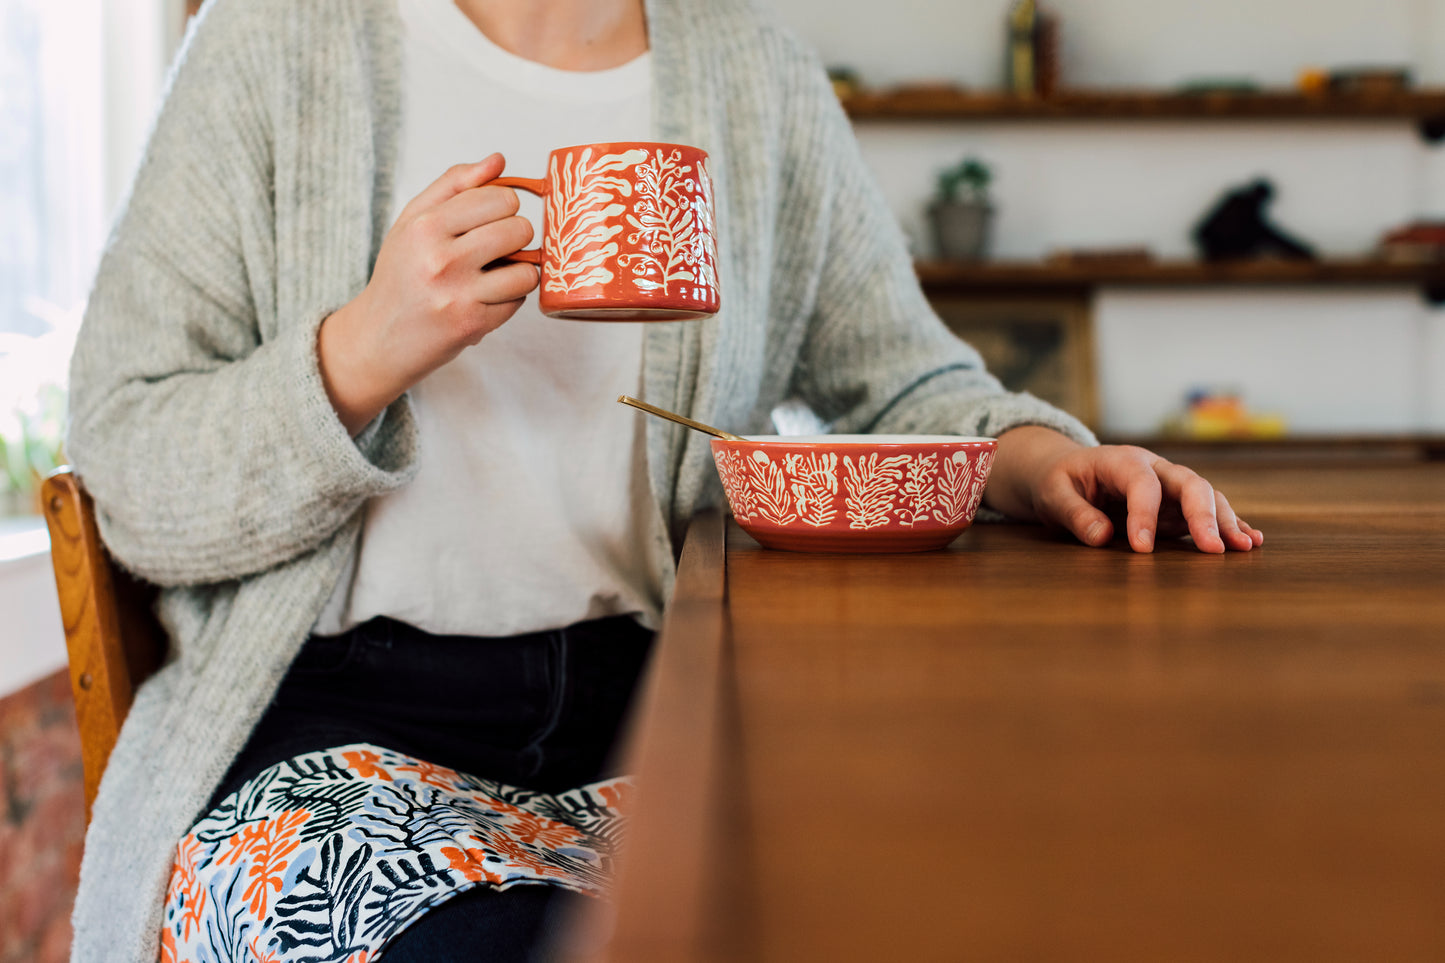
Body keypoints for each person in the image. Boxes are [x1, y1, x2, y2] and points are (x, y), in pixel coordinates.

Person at [64, 0, 1262, 959]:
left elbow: (906, 387)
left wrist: (1047, 461)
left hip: (669, 713)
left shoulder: (755, 74)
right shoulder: (275, 39)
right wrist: (362, 348)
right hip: (335, 736)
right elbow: (128, 467)